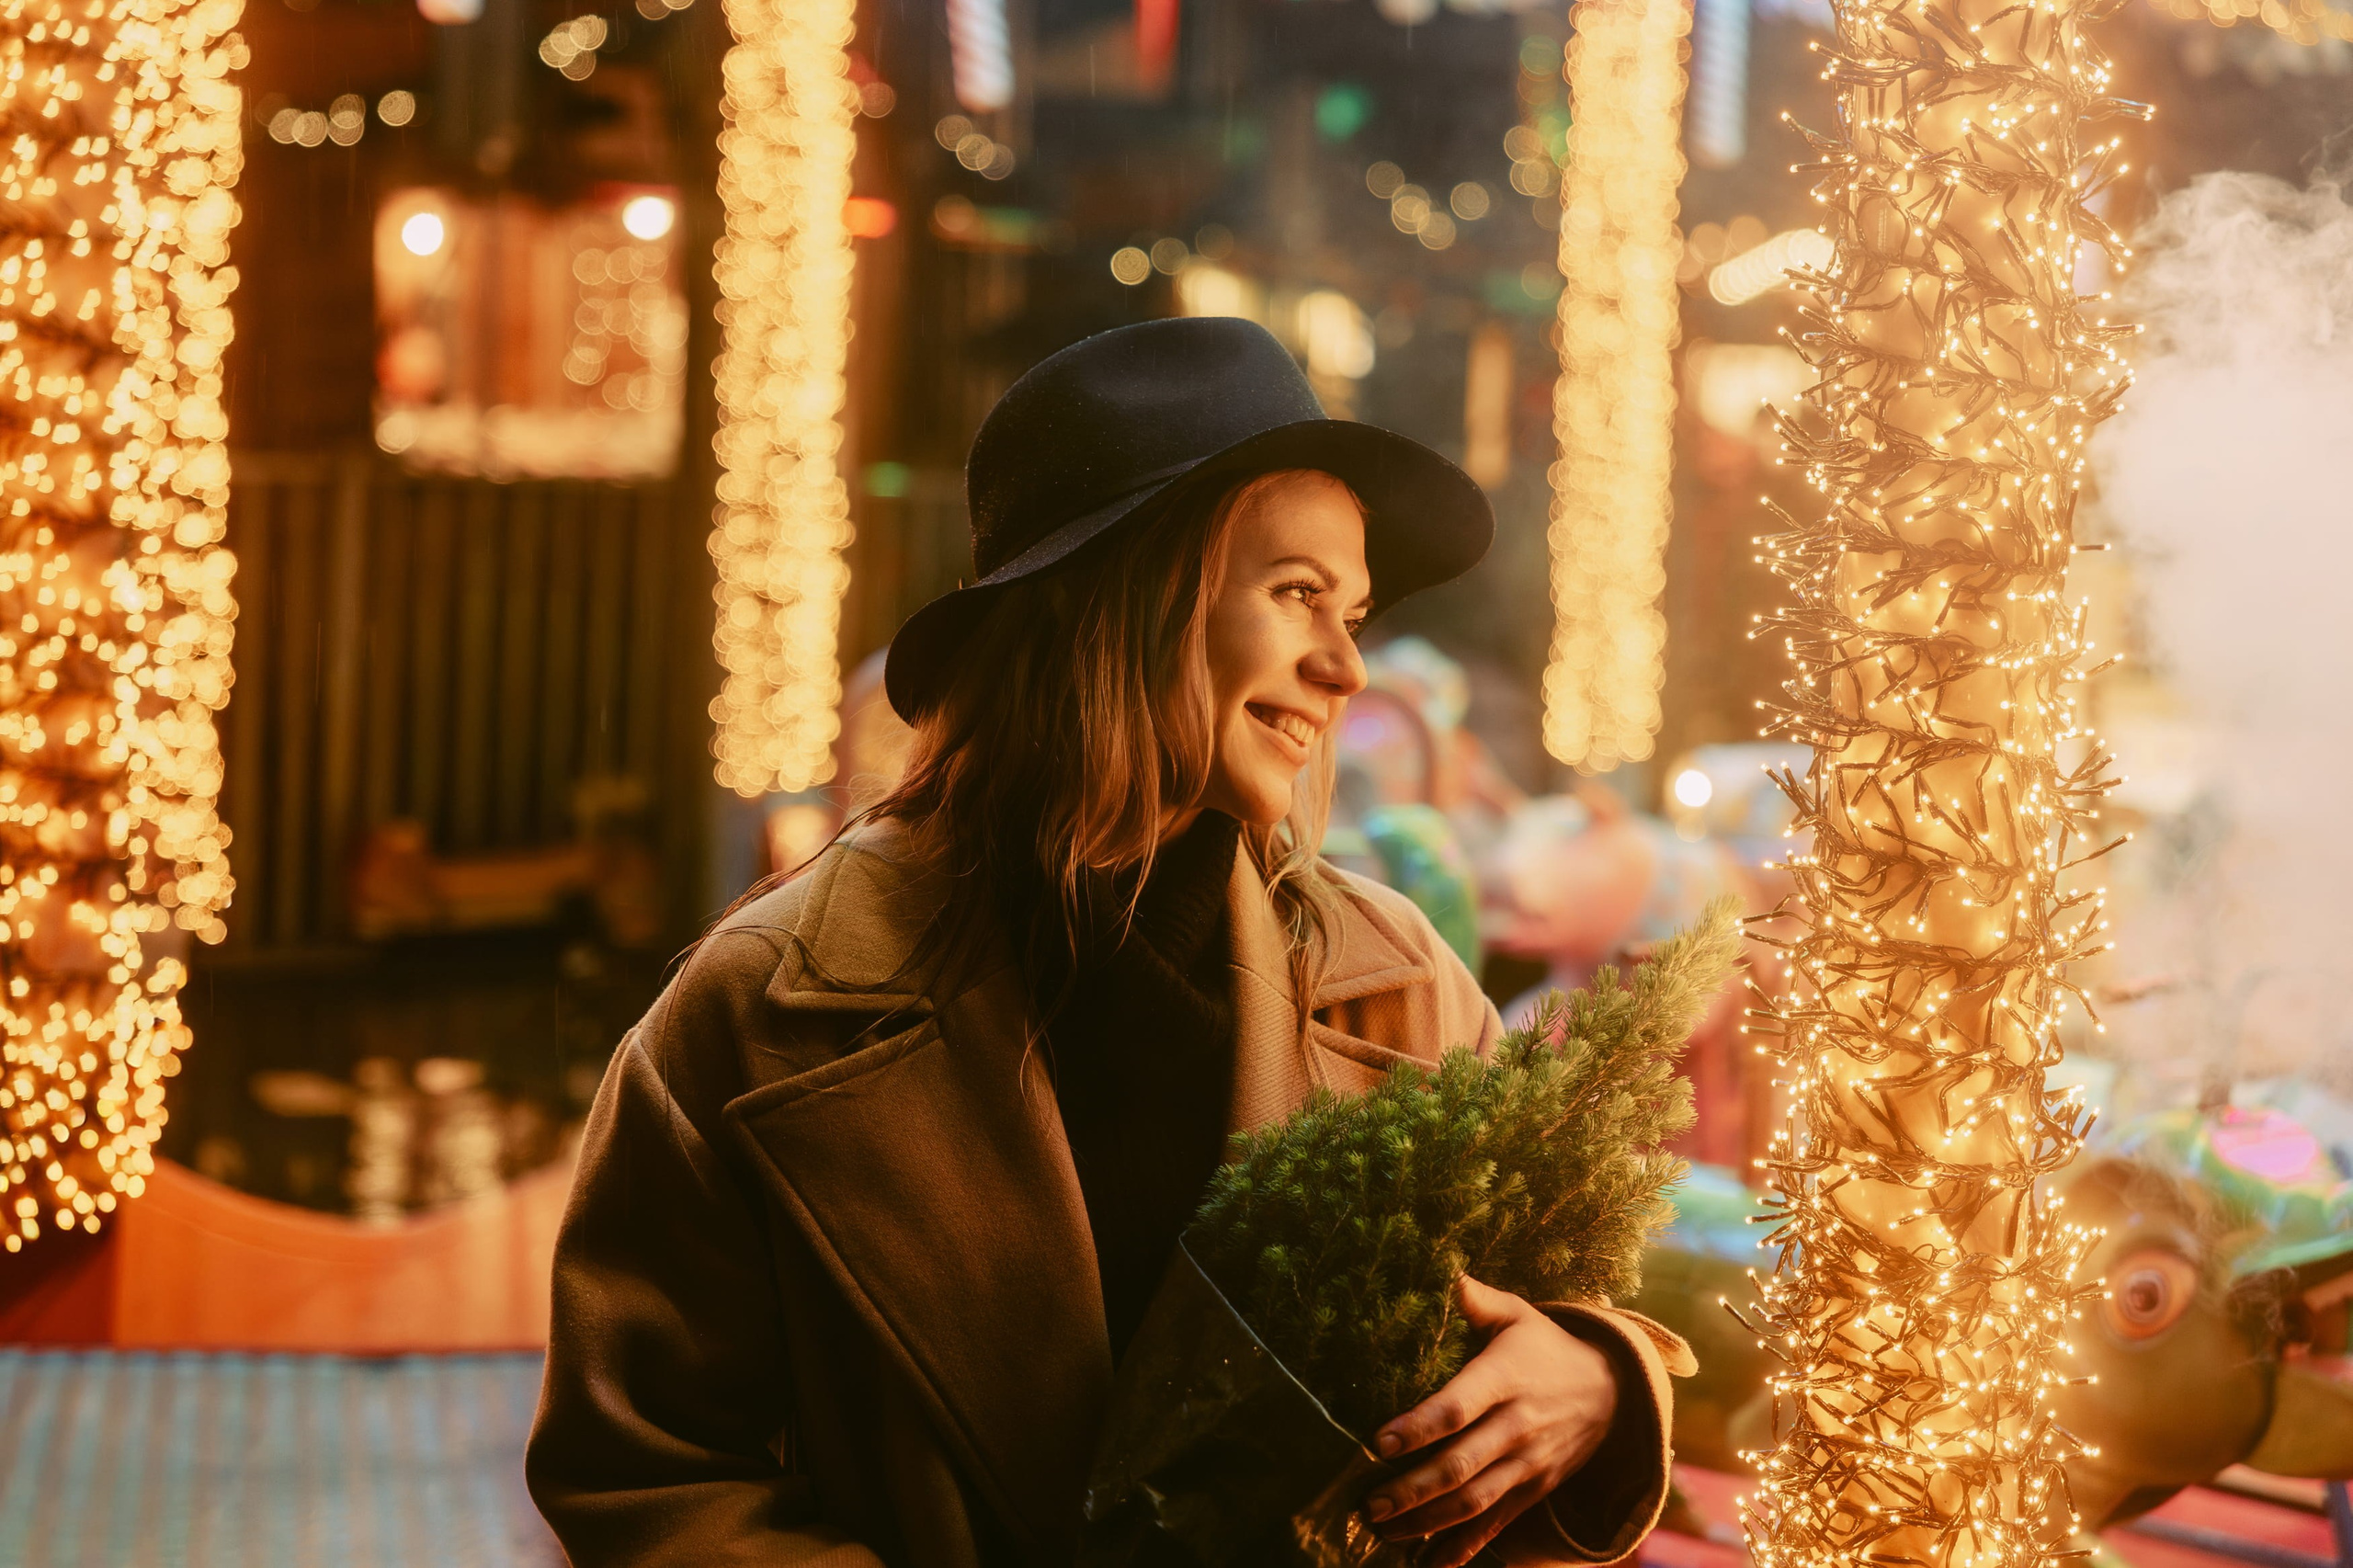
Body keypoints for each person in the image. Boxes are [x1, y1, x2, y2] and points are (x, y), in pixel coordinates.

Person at [526, 319, 1692, 1568]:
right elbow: (643, 1474)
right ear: (1124, 595)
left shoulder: (1398, 980)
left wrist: (1597, 1378)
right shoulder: (762, 1007)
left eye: (1353, 612)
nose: (1347, 667)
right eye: (1298, 594)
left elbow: (1535, 1328)